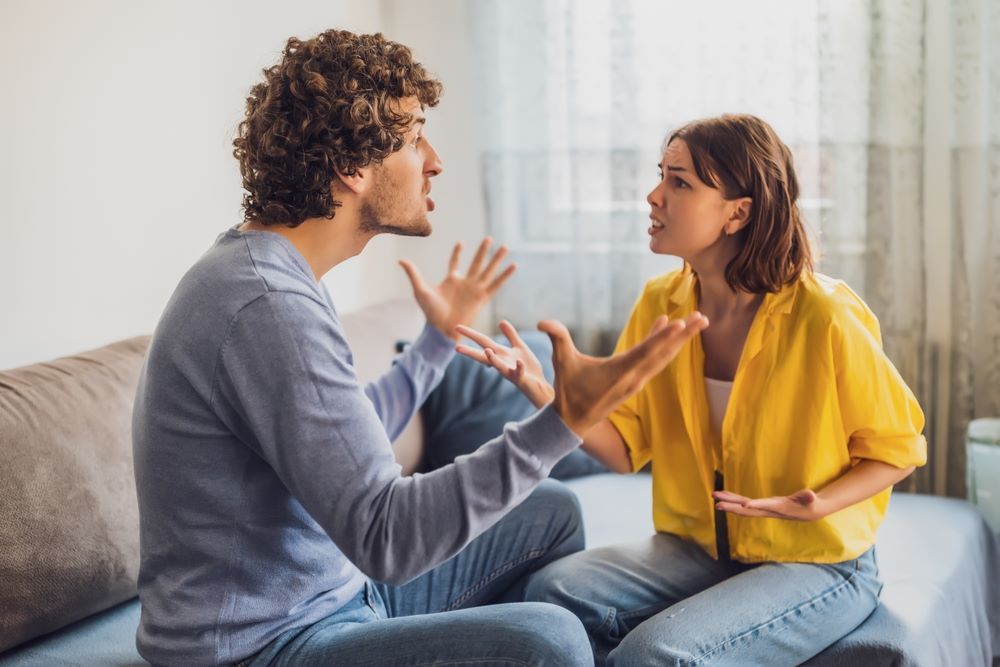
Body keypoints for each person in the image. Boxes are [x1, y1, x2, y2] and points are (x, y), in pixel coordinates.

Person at [131, 29, 707, 667]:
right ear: (352, 168)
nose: (433, 160)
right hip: (263, 645)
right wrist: (562, 421)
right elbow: (387, 537)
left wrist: (435, 344)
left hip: (336, 594)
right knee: (551, 640)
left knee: (551, 510)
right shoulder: (267, 306)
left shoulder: (269, 274)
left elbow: (346, 443)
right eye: (412, 139)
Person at [455, 114, 927, 666]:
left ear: (738, 212)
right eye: (662, 176)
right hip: (702, 549)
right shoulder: (661, 305)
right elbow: (623, 450)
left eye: (680, 182)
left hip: (818, 562)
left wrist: (817, 505)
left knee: (654, 655)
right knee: (550, 596)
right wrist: (544, 390)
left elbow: (899, 449)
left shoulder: (822, 316)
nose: (653, 196)